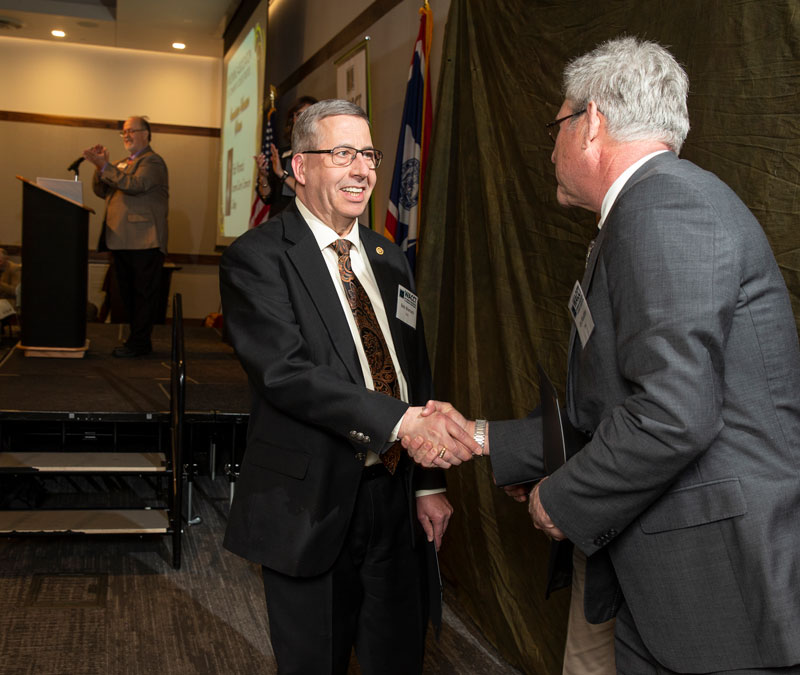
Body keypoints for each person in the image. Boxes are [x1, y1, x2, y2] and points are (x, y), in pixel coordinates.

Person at [407, 37, 800, 674]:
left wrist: (561, 499)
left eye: (557, 124)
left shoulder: (665, 208)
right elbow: (619, 409)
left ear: (591, 122)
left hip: (721, 594)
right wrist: (479, 437)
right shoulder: (647, 209)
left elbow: (673, 415)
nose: (552, 146)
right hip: (671, 582)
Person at [219, 99, 480, 675]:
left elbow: (415, 370)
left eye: (368, 154)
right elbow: (286, 374)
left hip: (395, 494)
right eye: (342, 154)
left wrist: (427, 485)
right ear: (299, 167)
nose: (362, 169)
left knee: (398, 654)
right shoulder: (256, 258)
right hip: (310, 502)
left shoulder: (388, 256)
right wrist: (403, 423)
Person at [83, 116, 169, 357]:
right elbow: (101, 190)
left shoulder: (152, 161)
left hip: (145, 241)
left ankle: (140, 344)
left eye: (131, 130)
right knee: (128, 296)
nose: (126, 135)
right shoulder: (121, 163)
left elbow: (137, 185)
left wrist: (104, 167)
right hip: (121, 240)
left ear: (146, 134)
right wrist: (100, 167)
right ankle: (136, 341)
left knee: (142, 295)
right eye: (124, 132)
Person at [255, 95, 317, 219]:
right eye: (299, 114)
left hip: (306, 221)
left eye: (308, 114)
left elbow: (311, 192)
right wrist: (263, 176)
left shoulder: (321, 152)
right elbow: (267, 197)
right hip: (279, 221)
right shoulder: (281, 154)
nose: (303, 119)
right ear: (292, 119)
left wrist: (282, 175)